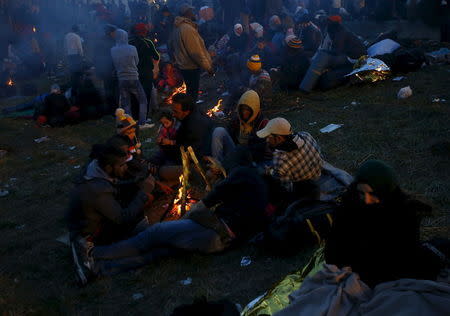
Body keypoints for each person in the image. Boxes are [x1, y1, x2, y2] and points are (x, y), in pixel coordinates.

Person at [70, 146, 268, 280]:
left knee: (153, 234)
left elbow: (216, 195)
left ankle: (94, 254)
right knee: (160, 252)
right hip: (225, 243)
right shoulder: (256, 181)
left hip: (216, 233)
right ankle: (99, 270)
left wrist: (195, 209)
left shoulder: (242, 173)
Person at [325, 160, 443, 289]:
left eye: (373, 194)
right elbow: (334, 245)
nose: (367, 200)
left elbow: (401, 257)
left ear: (386, 192)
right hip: (354, 268)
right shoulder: (349, 203)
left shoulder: (405, 214)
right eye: (361, 193)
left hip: (386, 271)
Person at [68, 143, 156, 285]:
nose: (125, 168)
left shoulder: (94, 170)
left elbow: (116, 187)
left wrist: (137, 184)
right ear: (109, 167)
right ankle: (96, 256)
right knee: (141, 226)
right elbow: (122, 218)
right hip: (92, 235)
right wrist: (144, 193)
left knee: (132, 198)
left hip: (91, 222)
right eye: (121, 165)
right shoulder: (97, 190)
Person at [257, 117, 323, 203]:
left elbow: (287, 189)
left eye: (269, 137)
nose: (267, 140)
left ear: (279, 138)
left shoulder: (280, 160)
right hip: (317, 175)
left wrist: (270, 172)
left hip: (304, 188)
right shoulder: (306, 135)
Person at [169, 3, 213, 101]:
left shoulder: (177, 27)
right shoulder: (187, 29)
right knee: (192, 94)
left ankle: (189, 111)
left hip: (184, 66)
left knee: (190, 92)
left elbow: (171, 45)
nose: (194, 13)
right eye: (191, 11)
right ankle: (191, 113)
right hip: (190, 67)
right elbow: (195, 52)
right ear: (187, 13)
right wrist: (208, 67)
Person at [111, 29, 151, 129]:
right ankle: (142, 122)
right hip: (133, 77)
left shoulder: (113, 50)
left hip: (121, 79)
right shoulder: (132, 48)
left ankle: (129, 123)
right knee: (142, 100)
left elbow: (114, 64)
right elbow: (136, 61)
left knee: (126, 102)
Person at [227, 90, 269, 162]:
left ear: (254, 109)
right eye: (242, 109)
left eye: (247, 110)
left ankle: (221, 168)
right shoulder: (236, 120)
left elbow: (261, 148)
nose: (244, 112)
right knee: (219, 131)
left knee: (240, 149)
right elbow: (230, 135)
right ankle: (218, 163)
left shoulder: (263, 123)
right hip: (235, 150)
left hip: (251, 156)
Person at [129, 23, 160, 118]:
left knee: (135, 94)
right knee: (146, 93)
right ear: (144, 31)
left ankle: (135, 115)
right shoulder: (148, 42)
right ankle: (145, 117)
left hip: (133, 72)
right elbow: (156, 56)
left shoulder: (129, 43)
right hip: (146, 72)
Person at [94, 24, 118, 113]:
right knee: (113, 89)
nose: (116, 34)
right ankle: (113, 109)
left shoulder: (99, 41)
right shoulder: (112, 42)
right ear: (111, 33)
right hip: (110, 69)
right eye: (115, 32)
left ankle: (109, 107)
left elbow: (95, 57)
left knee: (108, 88)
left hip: (103, 69)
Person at [64, 25, 84, 94]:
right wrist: (82, 55)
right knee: (78, 71)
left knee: (72, 71)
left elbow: (65, 46)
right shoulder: (76, 36)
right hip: (76, 55)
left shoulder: (66, 36)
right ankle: (78, 86)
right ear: (77, 30)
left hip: (69, 56)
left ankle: (73, 85)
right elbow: (79, 47)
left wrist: (66, 55)